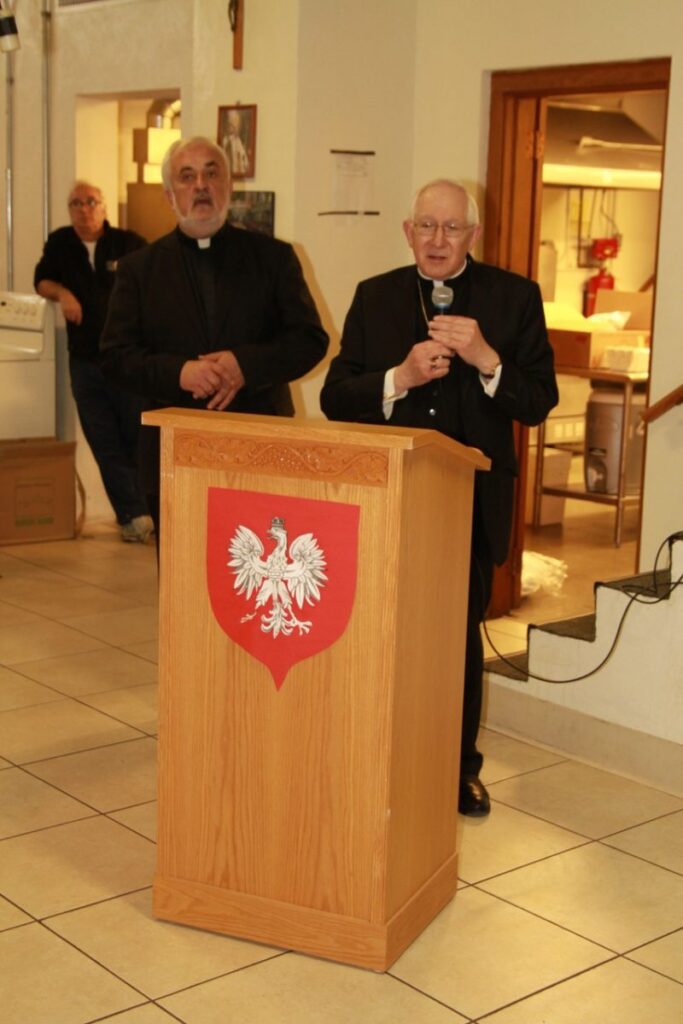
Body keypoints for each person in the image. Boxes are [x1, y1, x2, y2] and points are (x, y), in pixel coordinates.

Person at [320, 179, 558, 816]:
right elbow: (334, 397)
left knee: (456, 641)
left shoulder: (514, 297)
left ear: (472, 235)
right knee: (377, 633)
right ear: (408, 232)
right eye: (426, 226)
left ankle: (458, 770)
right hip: (386, 498)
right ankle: (376, 759)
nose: (437, 239)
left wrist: (487, 360)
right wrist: (397, 377)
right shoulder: (375, 296)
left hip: (470, 505)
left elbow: (539, 401)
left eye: (452, 228)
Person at [99, 136, 328, 538]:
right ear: (170, 195)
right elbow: (115, 357)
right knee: (181, 565)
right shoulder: (139, 269)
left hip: (261, 441)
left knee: (260, 565)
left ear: (228, 186)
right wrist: (180, 373)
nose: (201, 185)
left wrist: (245, 366)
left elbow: (310, 340)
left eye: (211, 173)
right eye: (187, 177)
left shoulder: (273, 258)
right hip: (173, 448)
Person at [34, 182, 153, 543]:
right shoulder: (60, 243)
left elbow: (155, 283)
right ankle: (133, 517)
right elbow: (41, 281)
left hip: (126, 361)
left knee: (137, 438)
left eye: (91, 202)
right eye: (76, 203)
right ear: (69, 210)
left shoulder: (129, 243)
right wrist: (63, 294)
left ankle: (151, 511)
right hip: (85, 362)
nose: (84, 209)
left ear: (103, 207)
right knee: (103, 441)